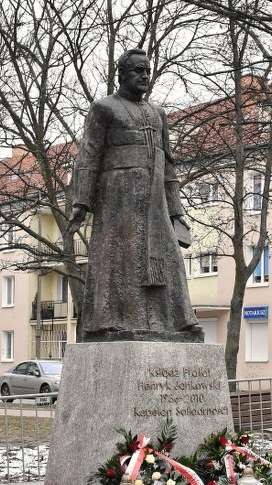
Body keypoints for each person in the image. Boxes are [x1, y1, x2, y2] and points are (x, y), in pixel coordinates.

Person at [65, 48, 203, 343]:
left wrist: (176, 210)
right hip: (118, 197)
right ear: (122, 75)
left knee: (168, 258)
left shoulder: (158, 114)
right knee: (119, 258)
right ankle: (112, 322)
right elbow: (89, 155)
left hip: (154, 201)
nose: (144, 76)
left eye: (147, 71)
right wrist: (81, 201)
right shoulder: (104, 108)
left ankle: (175, 321)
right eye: (138, 70)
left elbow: (168, 165)